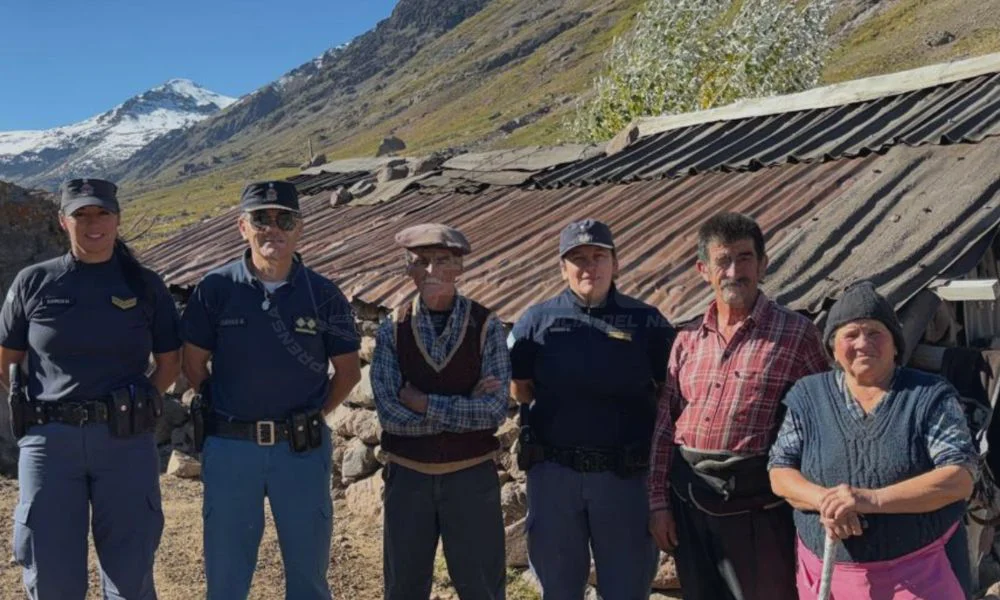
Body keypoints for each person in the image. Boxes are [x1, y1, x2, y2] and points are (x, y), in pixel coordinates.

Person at [0, 178, 181, 600]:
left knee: (130, 573)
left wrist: (135, 406)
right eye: (81, 214)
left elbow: (169, 363)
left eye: (102, 213)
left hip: (125, 441)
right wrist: (41, 410)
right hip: (49, 445)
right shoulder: (34, 282)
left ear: (117, 218)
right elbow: (5, 358)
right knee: (52, 576)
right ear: (64, 222)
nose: (92, 223)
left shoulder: (145, 285)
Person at [181, 181, 361, 600]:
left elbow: (348, 373)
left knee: (308, 576)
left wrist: (313, 414)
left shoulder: (324, 295)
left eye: (285, 218)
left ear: (300, 227)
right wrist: (225, 407)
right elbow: (193, 364)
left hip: (300, 449)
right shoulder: (215, 289)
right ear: (242, 226)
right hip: (231, 448)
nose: (273, 228)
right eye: (261, 218)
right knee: (225, 576)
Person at [647, 212, 829, 600]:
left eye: (745, 258)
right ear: (703, 269)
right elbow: (665, 425)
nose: (734, 271)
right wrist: (659, 503)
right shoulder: (686, 340)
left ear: (763, 264)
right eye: (722, 261)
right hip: (689, 503)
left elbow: (825, 424)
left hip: (758, 509)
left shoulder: (797, 335)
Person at [769, 280, 978, 599]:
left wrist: (870, 500)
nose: (863, 342)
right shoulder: (807, 397)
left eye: (875, 332)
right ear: (833, 349)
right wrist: (829, 502)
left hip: (919, 575)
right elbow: (780, 473)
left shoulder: (929, 395)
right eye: (850, 334)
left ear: (896, 345)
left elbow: (958, 478)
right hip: (828, 574)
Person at [508, 219, 675, 600]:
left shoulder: (646, 321)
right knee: (559, 589)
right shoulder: (536, 322)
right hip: (555, 478)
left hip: (625, 480)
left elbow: (670, 394)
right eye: (578, 258)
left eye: (599, 256)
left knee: (628, 589)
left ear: (616, 263)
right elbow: (520, 389)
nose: (590, 266)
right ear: (562, 267)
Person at [371, 223, 511, 600]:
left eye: (442, 261)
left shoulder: (486, 327)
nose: (431, 271)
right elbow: (389, 414)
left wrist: (424, 403)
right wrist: (464, 402)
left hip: (471, 481)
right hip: (408, 481)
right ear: (408, 270)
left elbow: (494, 411)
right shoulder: (392, 329)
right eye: (421, 262)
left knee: (482, 587)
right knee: (403, 588)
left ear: (460, 268)